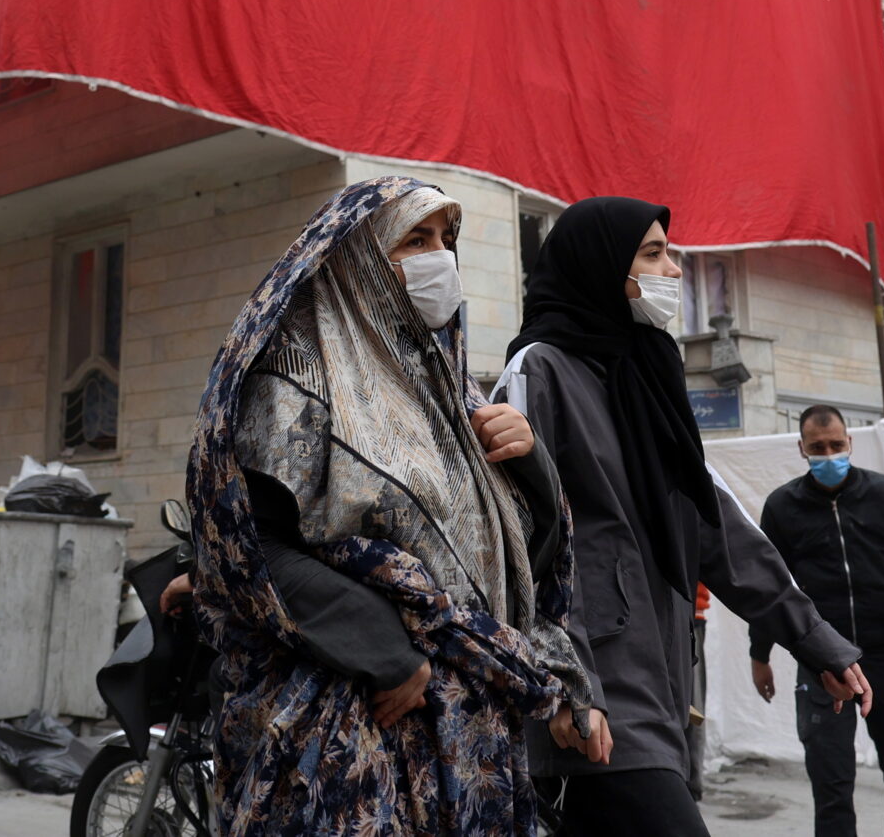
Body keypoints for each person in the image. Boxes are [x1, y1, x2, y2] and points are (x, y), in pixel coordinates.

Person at [188, 177, 600, 837]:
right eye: (416, 238)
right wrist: (386, 648)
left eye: (446, 240)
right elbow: (246, 546)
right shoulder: (295, 378)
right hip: (360, 724)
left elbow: (505, 557)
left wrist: (532, 468)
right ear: (361, 257)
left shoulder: (447, 388)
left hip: (472, 740)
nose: (441, 257)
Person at [501, 198, 868, 835]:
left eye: (669, 251)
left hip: (663, 681)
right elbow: (522, 537)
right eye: (653, 253)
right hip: (596, 688)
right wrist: (565, 679)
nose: (672, 267)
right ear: (602, 265)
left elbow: (712, 525)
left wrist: (813, 639)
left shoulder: (647, 373)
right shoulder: (539, 369)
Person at [749, 405, 884, 837]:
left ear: (850, 443)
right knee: (832, 789)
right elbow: (769, 587)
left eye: (837, 445)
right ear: (802, 449)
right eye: (818, 448)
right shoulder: (782, 507)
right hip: (823, 664)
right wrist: (758, 653)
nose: (829, 454)